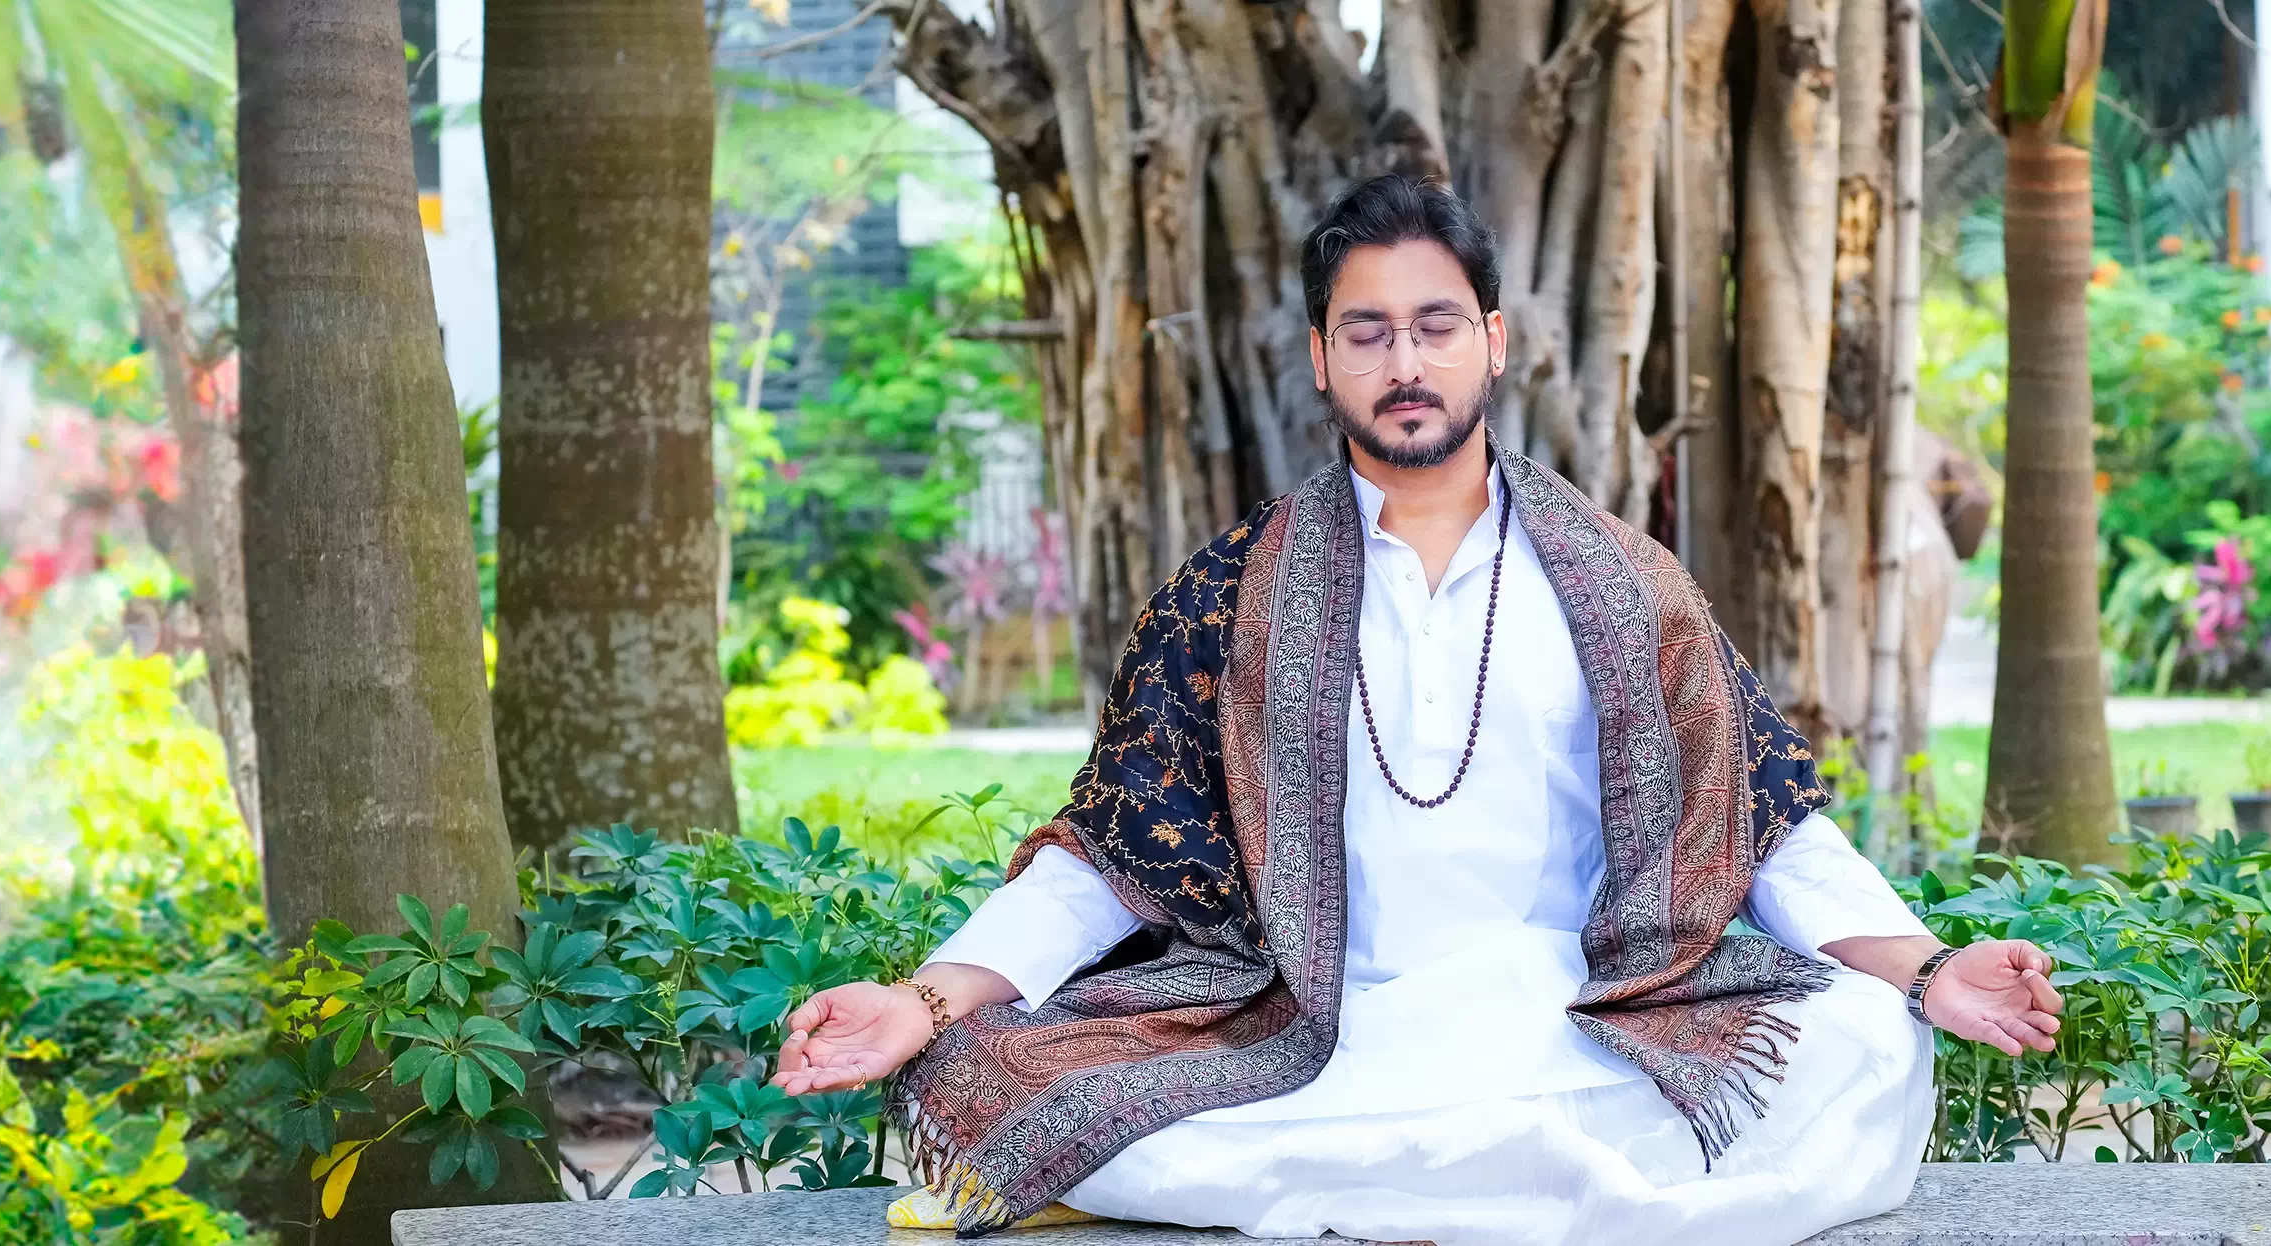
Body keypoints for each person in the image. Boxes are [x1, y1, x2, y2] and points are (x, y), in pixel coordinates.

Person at [768, 173, 2064, 1246]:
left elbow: (1767, 826)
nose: (1407, 362)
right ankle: (1483, 1190)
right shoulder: (1226, 598)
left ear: (1493, 342)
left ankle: (1411, 1192)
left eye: (1437, 325)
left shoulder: (1624, 581)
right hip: (1324, 1028)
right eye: (1370, 331)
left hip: (1583, 1023)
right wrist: (924, 1001)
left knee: (1863, 1044)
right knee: (993, 1066)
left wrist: (1932, 970)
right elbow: (1113, 861)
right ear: (1324, 357)